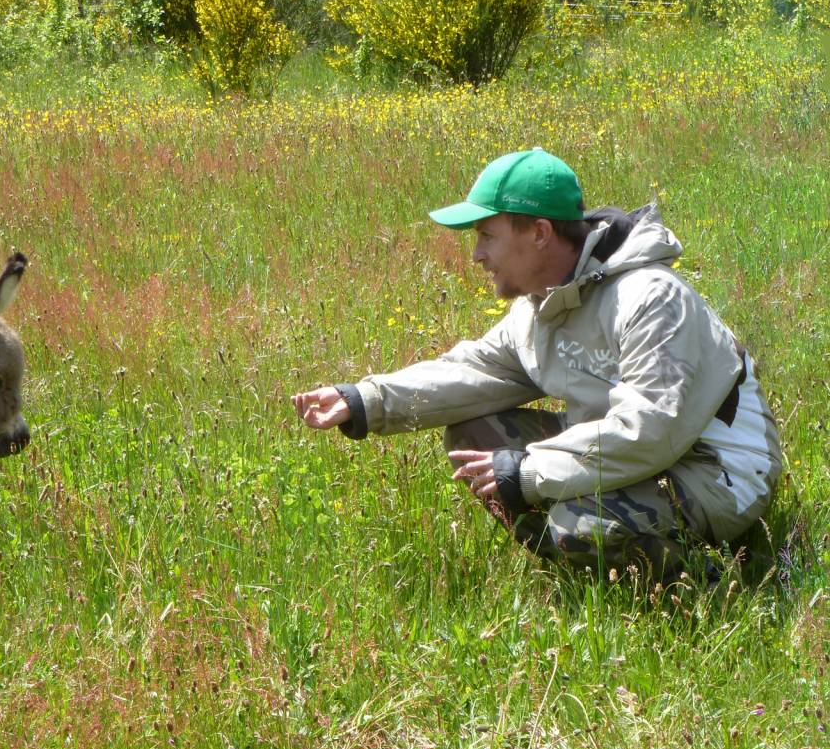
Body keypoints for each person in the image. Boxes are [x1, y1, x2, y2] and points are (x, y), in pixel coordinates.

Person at [292, 148, 781, 577]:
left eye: (486, 235)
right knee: (474, 436)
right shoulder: (541, 305)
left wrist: (527, 472)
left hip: (715, 470)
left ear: (541, 232)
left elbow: (651, 430)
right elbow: (476, 371)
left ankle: (707, 581)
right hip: (639, 455)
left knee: (578, 525)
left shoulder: (651, 299)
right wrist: (362, 400)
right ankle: (578, 559)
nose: (477, 255)